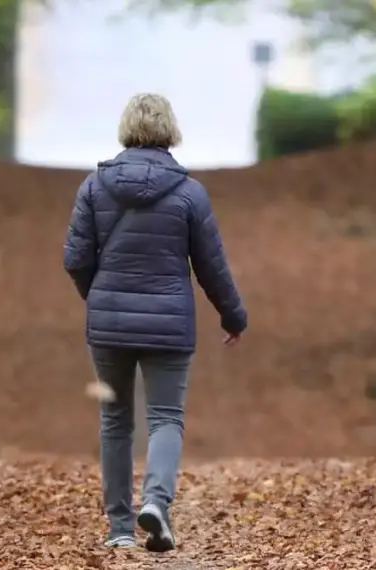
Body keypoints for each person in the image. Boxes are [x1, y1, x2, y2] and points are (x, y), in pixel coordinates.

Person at [62, 93, 247, 552]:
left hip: (108, 324)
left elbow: (75, 258)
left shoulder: (94, 186)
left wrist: (99, 296)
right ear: (170, 130)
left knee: (115, 420)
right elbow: (211, 265)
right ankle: (157, 503)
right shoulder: (188, 193)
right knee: (166, 417)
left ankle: (120, 527)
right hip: (169, 324)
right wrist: (233, 314)